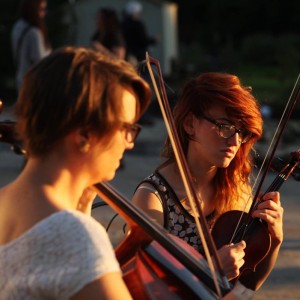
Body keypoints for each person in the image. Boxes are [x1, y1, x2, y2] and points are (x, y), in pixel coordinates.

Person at [0, 47, 151, 299]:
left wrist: (82, 208)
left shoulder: (6, 201)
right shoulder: (74, 236)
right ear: (84, 135)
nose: (130, 142)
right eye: (126, 128)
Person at [132, 72, 283, 291]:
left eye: (241, 132)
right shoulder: (152, 198)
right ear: (190, 124)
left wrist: (274, 240)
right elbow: (146, 289)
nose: (235, 141)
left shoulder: (237, 189)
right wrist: (208, 269)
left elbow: (247, 286)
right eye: (224, 127)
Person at [11, 0, 52, 91]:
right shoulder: (34, 32)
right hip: (34, 83)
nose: (44, 13)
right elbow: (41, 61)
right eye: (42, 9)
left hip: (20, 78)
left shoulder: (18, 26)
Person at [122, 1, 158, 65]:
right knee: (144, 73)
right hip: (140, 56)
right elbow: (143, 40)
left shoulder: (123, 24)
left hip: (128, 54)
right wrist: (154, 40)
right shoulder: (138, 25)